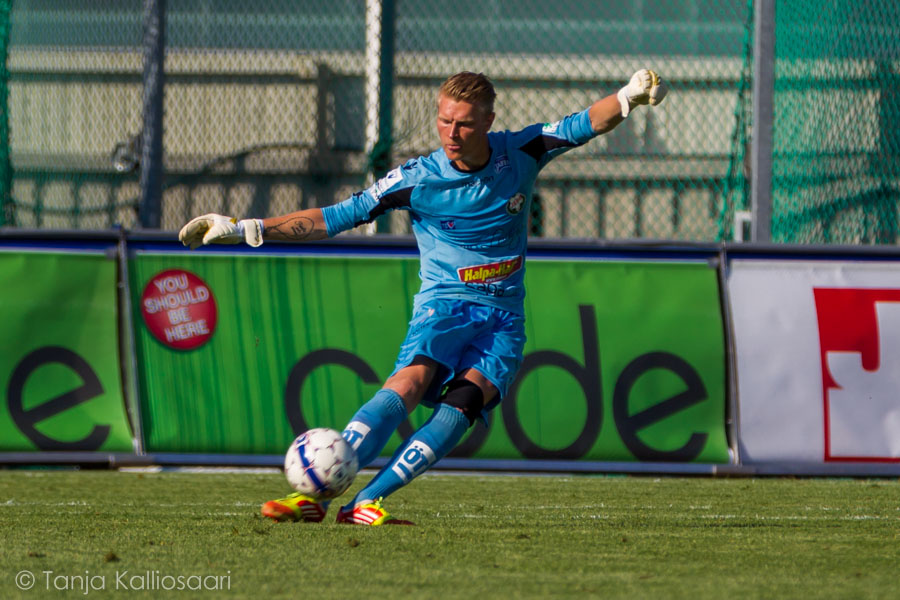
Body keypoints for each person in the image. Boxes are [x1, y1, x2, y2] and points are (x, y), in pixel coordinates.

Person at [179, 69, 668, 526]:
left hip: (503, 316)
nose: (451, 133)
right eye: (444, 121)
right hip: (444, 304)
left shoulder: (522, 150)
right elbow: (337, 216)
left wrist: (628, 97)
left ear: (489, 123)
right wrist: (247, 229)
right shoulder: (417, 178)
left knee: (465, 404)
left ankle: (366, 502)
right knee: (411, 382)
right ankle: (315, 493)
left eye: (464, 124)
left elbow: (586, 123)